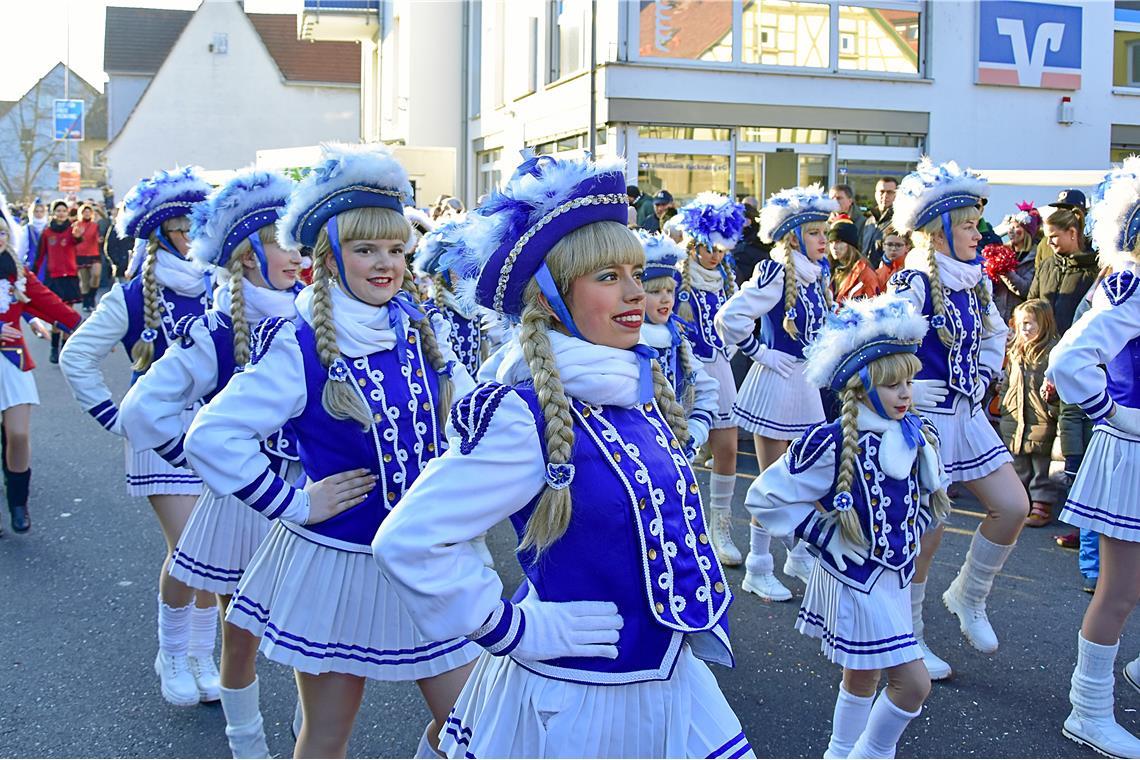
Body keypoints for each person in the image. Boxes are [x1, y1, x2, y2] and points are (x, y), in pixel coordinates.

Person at [373, 153, 751, 759]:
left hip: (670, 679)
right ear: (550, 300)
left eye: (634, 270)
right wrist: (514, 628)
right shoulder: (524, 415)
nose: (634, 292)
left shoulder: (633, 392)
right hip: (577, 698)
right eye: (607, 278)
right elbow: (407, 541)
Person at [183, 144, 479, 759]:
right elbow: (211, 436)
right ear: (328, 257)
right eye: (366, 249)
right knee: (326, 737)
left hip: (426, 561)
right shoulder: (298, 343)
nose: (385, 264)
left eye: (396, 249)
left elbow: (472, 418)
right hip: (338, 564)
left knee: (472, 723)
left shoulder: (416, 326)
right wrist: (292, 502)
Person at [118, 170, 303, 758]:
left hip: (311, 504)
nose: (297, 256)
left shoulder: (319, 316)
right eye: (281, 243)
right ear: (247, 257)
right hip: (249, 502)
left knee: (311, 636)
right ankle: (246, 745)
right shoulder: (217, 327)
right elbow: (144, 408)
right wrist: (199, 461)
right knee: (242, 633)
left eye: (299, 242)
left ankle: (311, 739)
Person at [748, 294, 948, 760]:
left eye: (908, 383)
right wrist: (824, 537)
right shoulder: (833, 440)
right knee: (914, 684)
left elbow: (924, 500)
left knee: (865, 673)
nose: (905, 394)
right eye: (893, 385)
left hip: (892, 575)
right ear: (861, 386)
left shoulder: (914, 433)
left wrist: (914, 524)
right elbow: (763, 496)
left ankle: (839, 753)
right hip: (856, 576)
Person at [59, 167, 218, 707]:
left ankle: (201, 654)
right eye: (185, 228)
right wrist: (113, 416)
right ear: (160, 234)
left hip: (216, 437)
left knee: (214, 553)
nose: (197, 237)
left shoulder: (222, 289)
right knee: (190, 549)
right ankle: (173, 652)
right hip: (157, 436)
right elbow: (76, 355)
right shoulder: (129, 296)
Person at [887, 158, 1026, 682]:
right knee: (929, 533)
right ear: (939, 229)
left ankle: (968, 595)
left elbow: (996, 334)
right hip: (927, 420)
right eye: (967, 223)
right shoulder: (915, 281)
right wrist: (910, 389)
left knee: (1014, 506)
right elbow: (888, 344)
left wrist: (986, 372)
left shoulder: (974, 283)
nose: (978, 232)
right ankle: (911, 637)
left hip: (968, 416)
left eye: (976, 222)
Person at [1048, 157, 1140, 758]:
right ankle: (1089, 709)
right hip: (1131, 452)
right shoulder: (1129, 288)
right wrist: (1116, 414)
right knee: (1118, 591)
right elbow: (1066, 363)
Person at [716, 185, 835, 601]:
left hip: (806, 384)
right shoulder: (774, 272)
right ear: (795, 235)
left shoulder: (817, 275)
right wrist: (761, 353)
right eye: (817, 232)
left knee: (800, 476)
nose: (825, 240)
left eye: (825, 232)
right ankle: (757, 566)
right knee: (773, 482)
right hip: (777, 383)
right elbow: (729, 317)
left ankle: (796, 554)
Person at [0, 194, 81, 534]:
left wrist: (90, 330)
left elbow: (52, 305)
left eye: (2, 232)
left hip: (12, 362)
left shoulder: (18, 273)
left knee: (17, 434)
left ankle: (19, 504)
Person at [675, 192, 747, 570]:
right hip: (683, 370)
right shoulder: (675, 274)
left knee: (729, 447)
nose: (717, 256)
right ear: (695, 241)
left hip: (719, 368)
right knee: (679, 450)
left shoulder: (726, 278)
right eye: (711, 247)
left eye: (722, 248)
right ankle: (683, 526)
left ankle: (721, 527)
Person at [636, 228, 718, 428]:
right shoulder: (624, 343)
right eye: (655, 291)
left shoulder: (677, 339)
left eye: (670, 291)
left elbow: (707, 390)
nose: (666, 298)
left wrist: (696, 431)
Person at [999, 299, 1059, 527]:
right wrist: (1005, 405)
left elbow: (1057, 388)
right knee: (1019, 465)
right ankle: (1019, 503)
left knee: (1041, 467)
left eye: (1030, 324)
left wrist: (1052, 407)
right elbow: (1007, 383)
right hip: (1016, 418)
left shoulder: (1051, 353)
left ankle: (1041, 506)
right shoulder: (1015, 352)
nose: (1024, 329)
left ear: (1043, 324)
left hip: (1040, 419)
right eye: (1021, 324)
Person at [1028, 206, 1099, 334]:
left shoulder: (1093, 269)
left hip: (1077, 345)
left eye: (1053, 236)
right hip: (1043, 346)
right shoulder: (1046, 265)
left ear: (1072, 233)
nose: (1049, 242)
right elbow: (1032, 302)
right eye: (1047, 237)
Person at [34, 199, 83, 362]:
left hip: (69, 276)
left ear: (67, 213)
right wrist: (32, 276)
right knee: (56, 314)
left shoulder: (72, 229)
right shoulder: (47, 232)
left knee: (67, 313)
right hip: (53, 277)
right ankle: (54, 348)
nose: (61, 213)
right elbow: (40, 256)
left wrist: (78, 237)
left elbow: (77, 241)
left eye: (64, 211)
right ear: (54, 213)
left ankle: (65, 350)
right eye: (58, 211)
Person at [992, 202, 1041, 323]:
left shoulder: (1034, 257)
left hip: (1018, 320)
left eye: (1016, 227)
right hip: (996, 318)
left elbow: (1026, 290)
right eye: (1010, 227)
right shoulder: (1001, 253)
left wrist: (1005, 271)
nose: (1011, 231)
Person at [829, 214, 881, 303]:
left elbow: (872, 310)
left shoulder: (865, 273)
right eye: (831, 242)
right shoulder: (828, 271)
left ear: (850, 245)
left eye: (838, 242)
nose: (833, 247)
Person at [862, 177, 897, 269]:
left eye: (890, 192)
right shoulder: (868, 220)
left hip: (886, 275)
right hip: (865, 274)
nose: (885, 196)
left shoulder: (899, 221)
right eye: (881, 192)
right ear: (875, 194)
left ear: (897, 195)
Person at [75, 203, 103, 313]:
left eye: (88, 212)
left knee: (96, 276)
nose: (86, 214)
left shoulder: (95, 225)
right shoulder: (77, 224)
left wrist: (99, 240)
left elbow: (97, 236)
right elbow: (74, 238)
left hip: (94, 253)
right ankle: (86, 302)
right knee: (85, 281)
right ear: (81, 213)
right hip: (81, 254)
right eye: (84, 212)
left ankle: (92, 296)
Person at [874, 226, 910, 291]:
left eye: (898, 245)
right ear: (883, 246)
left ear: (907, 247)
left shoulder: (911, 270)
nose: (893, 249)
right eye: (889, 245)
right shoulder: (876, 274)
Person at [22, 199, 46, 270]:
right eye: (36, 211)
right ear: (32, 212)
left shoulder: (48, 228)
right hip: (30, 263)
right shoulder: (26, 229)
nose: (39, 214)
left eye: (41, 211)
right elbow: (22, 248)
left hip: (46, 264)